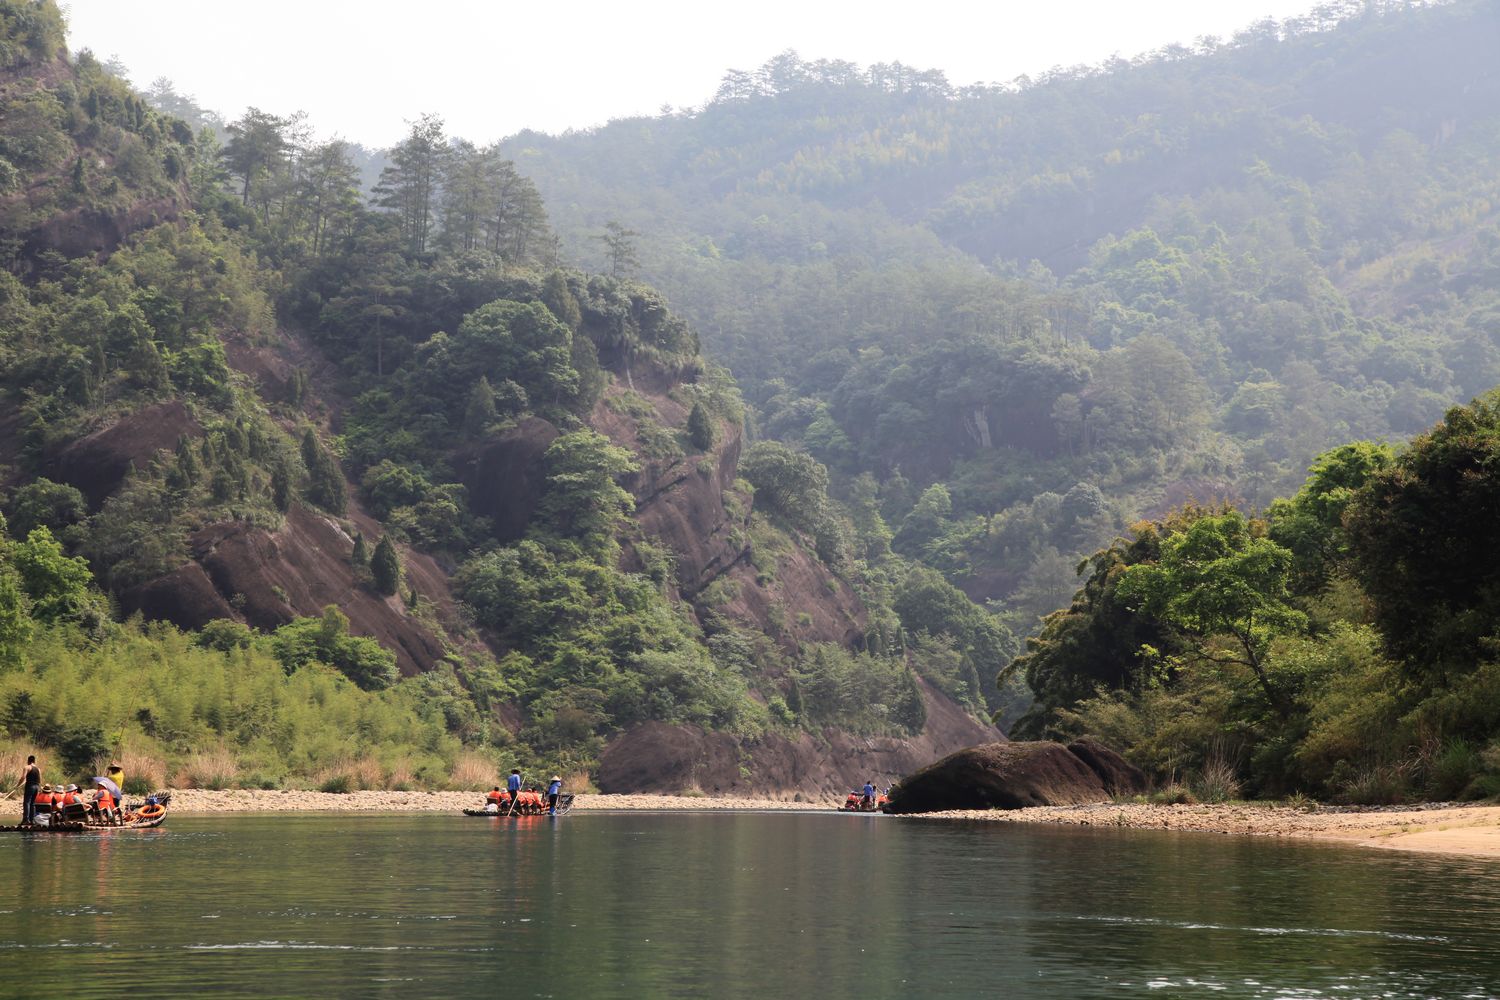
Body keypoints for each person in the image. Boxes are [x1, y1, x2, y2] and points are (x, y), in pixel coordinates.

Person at [15, 755, 41, 827]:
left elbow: (23, 777)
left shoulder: (27, 767)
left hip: (30, 786)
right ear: (34, 761)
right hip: (36, 787)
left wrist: (18, 785)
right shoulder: (38, 769)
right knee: (32, 803)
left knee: (26, 802)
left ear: (28, 761)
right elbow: (40, 780)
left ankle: (26, 820)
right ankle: (32, 820)